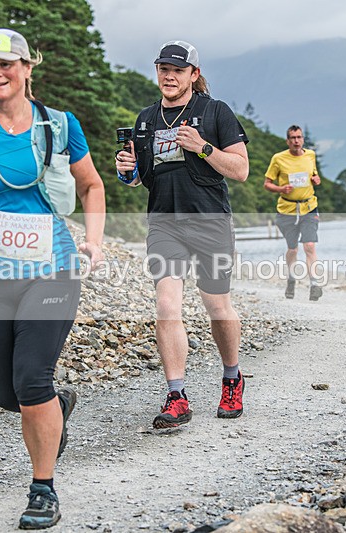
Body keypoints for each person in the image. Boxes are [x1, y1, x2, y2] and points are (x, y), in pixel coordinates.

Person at [0, 28, 105, 530]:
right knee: (7, 393)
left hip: (53, 267)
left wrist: (93, 241)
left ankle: (43, 489)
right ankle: (60, 402)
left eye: (6, 64)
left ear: (28, 68)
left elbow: (91, 185)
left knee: (31, 379)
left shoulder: (61, 125)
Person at [114, 40, 249, 429]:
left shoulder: (215, 111)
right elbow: (140, 178)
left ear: (193, 74)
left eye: (177, 70)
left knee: (217, 307)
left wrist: (203, 147)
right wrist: (127, 170)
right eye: (163, 69)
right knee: (167, 306)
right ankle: (177, 395)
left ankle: (231, 378)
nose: (169, 76)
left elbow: (239, 170)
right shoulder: (145, 120)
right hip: (164, 223)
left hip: (210, 221)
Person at [264, 125, 323, 300]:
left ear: (303, 139)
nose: (296, 141)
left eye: (299, 137)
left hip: (309, 207)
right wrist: (281, 188)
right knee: (293, 249)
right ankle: (291, 279)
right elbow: (267, 184)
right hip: (287, 210)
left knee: (309, 246)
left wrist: (316, 179)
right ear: (287, 140)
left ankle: (314, 284)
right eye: (292, 138)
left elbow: (314, 176)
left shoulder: (311, 155)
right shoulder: (278, 158)